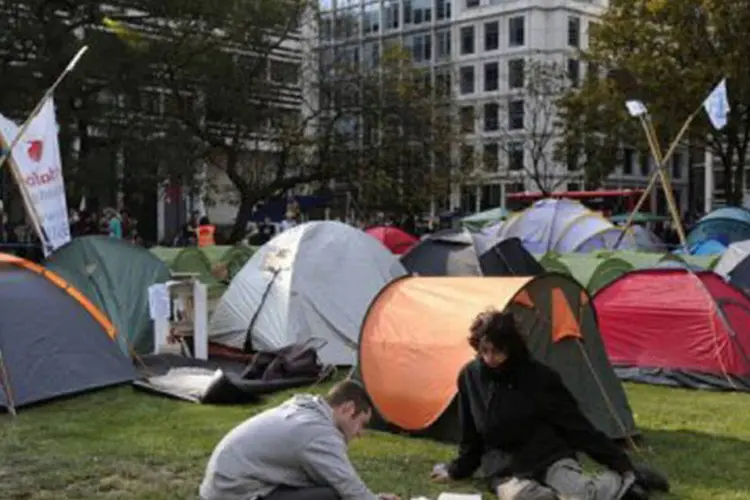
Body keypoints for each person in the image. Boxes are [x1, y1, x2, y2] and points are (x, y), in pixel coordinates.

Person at [430, 309, 648, 500]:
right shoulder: (470, 376)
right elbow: (471, 437)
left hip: (549, 457)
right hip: (504, 468)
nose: (490, 358)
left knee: (582, 494)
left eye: (497, 351)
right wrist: (456, 470)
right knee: (531, 498)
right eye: (484, 350)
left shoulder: (540, 377)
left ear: (511, 348)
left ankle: (623, 483)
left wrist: (620, 462)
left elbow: (576, 426)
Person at [200, 380, 400, 500]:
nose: (360, 433)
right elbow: (345, 484)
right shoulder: (318, 432)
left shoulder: (306, 411)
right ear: (347, 409)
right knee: (328, 496)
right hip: (233, 495)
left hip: (225, 487)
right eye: (361, 424)